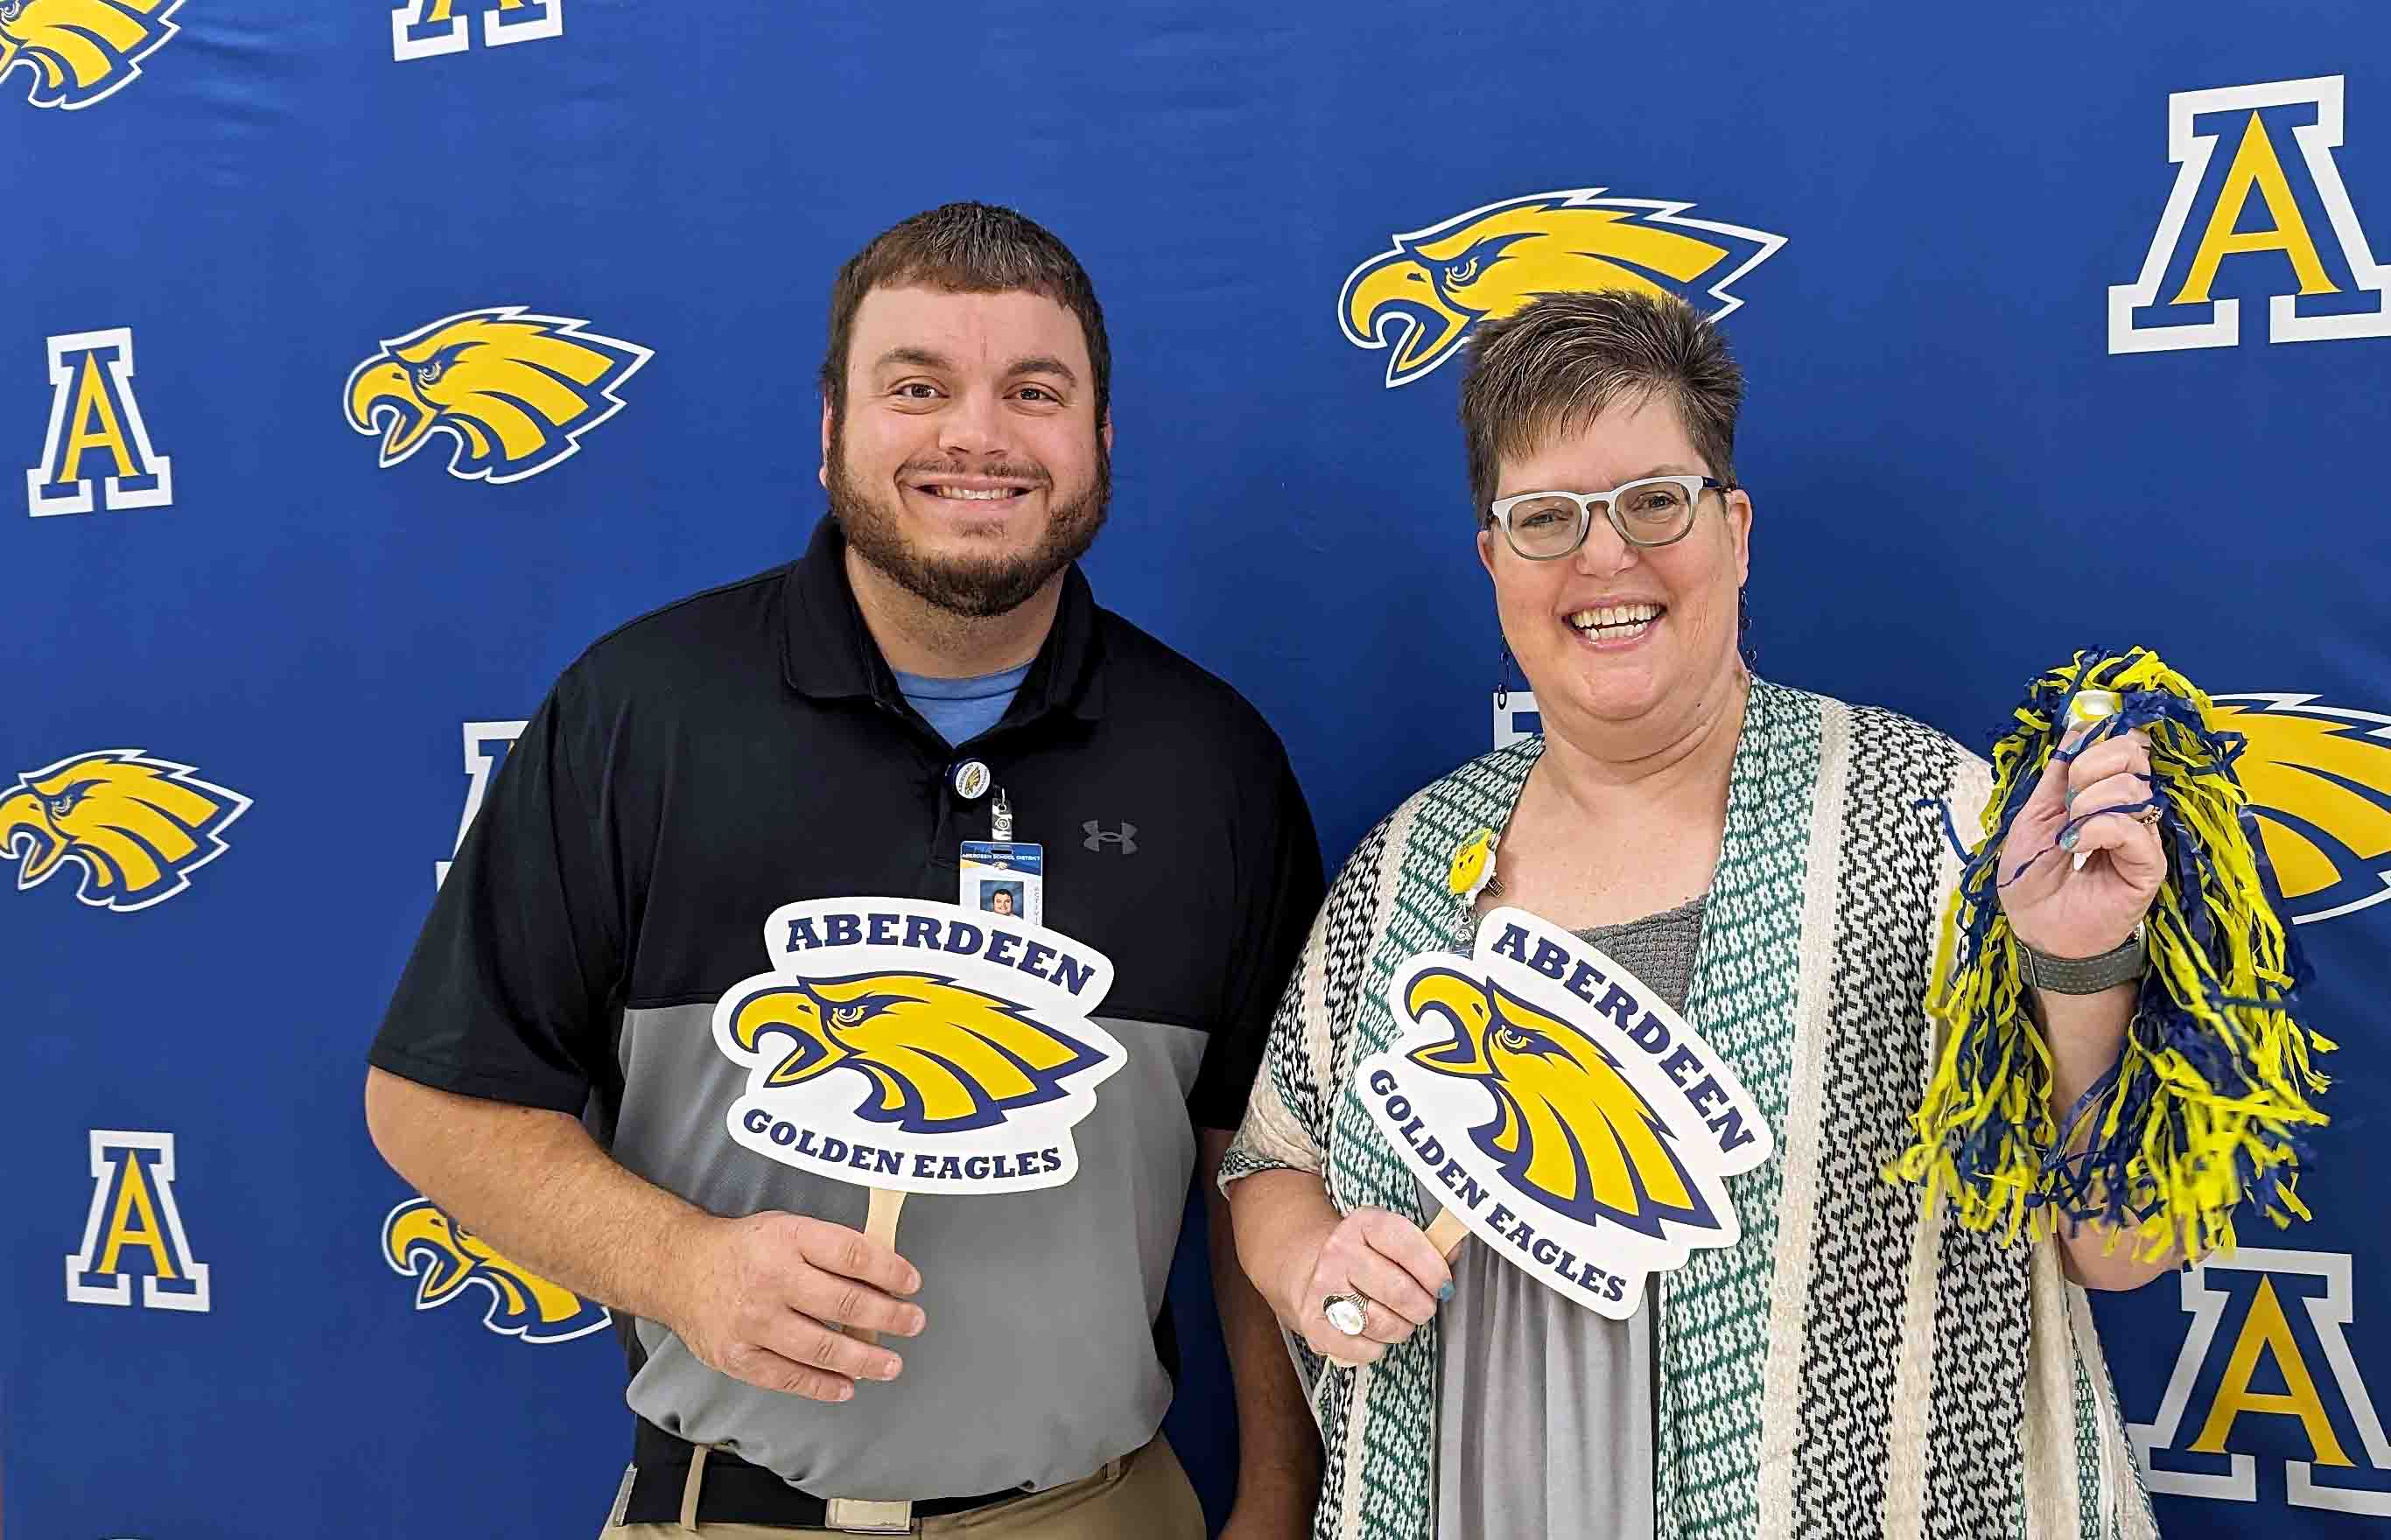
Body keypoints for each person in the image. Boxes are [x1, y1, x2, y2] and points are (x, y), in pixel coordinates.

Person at [366, 202, 1323, 1538]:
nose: (977, 434)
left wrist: (1277, 1496)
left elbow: (1264, 1172)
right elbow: (431, 1103)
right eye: (917, 386)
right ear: (831, 431)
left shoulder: (1213, 762)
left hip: (1101, 1510)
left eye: (1034, 392)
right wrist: (682, 1266)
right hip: (725, 1511)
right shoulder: (639, 714)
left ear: (1102, 442)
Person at [1221, 290, 2169, 1540]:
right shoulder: (1409, 862)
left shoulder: (1937, 818)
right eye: (1546, 519)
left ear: (1734, 527)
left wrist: (2082, 967)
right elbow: (1268, 1162)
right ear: (1493, 561)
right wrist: (1312, 1263)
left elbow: (2123, 1249)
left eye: (1653, 503)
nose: (1604, 558)